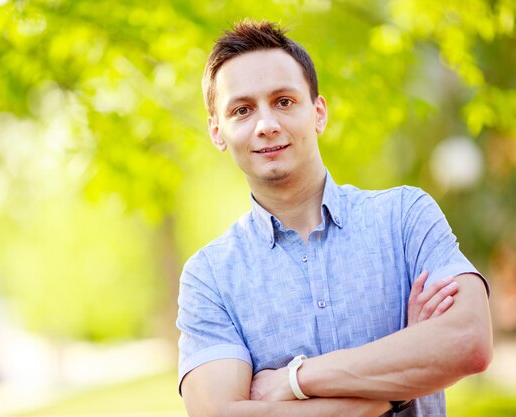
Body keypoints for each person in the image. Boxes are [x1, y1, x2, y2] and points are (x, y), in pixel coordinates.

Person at [175, 19, 492, 417]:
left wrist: (294, 381)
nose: (267, 125)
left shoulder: (404, 217)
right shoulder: (210, 277)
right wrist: (400, 383)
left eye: (284, 101)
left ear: (318, 113)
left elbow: (470, 342)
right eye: (242, 110)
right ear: (217, 132)